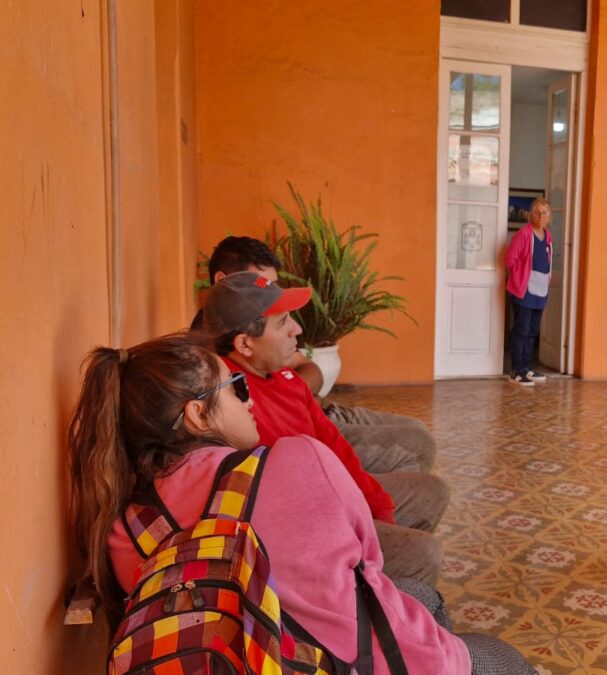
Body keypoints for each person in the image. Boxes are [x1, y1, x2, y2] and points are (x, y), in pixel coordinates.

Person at [67, 332, 535, 673]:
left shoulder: (124, 530)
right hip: (334, 663)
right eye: (235, 389)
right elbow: (366, 564)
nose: (248, 401)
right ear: (196, 413)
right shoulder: (295, 460)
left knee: (424, 597)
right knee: (503, 660)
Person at [202, 271, 450, 585]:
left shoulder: (282, 377)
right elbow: (290, 505)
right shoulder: (234, 403)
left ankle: (381, 589)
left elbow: (335, 446)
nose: (298, 329)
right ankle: (377, 612)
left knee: (432, 491)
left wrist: (377, 505)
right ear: (245, 344)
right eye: (283, 323)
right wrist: (363, 523)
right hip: (308, 532)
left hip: (336, 500)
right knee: (424, 554)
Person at [195, 235, 437, 474]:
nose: (271, 294)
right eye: (259, 284)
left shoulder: (267, 329)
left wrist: (294, 392)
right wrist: (290, 394)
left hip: (318, 411)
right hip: (305, 430)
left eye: (274, 285)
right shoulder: (208, 352)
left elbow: (310, 368)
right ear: (221, 280)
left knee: (417, 430)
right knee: (417, 449)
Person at [505, 199, 553, 386]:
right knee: (521, 329)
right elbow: (510, 260)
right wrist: (519, 278)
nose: (540, 216)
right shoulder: (523, 234)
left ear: (549, 217)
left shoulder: (547, 235)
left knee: (533, 330)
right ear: (530, 215)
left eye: (544, 213)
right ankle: (516, 370)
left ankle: (526, 367)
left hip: (540, 288)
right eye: (537, 212)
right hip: (524, 289)